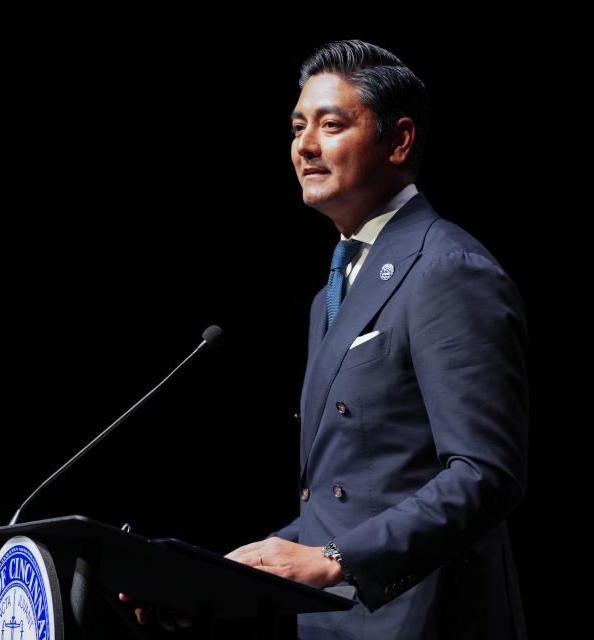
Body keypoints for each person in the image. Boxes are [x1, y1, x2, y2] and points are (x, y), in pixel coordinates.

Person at [222, 40, 530, 639]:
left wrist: (335, 559)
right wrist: (228, 576)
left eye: (331, 125)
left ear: (399, 140)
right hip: (340, 622)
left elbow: (485, 474)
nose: (304, 146)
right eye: (297, 127)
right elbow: (353, 492)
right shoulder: (332, 292)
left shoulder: (447, 268)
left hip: (425, 619)